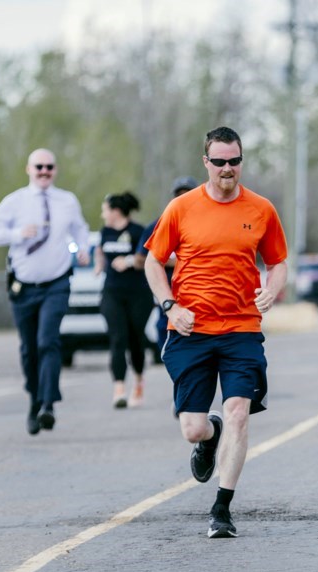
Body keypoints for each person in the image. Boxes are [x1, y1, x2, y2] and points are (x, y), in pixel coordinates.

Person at [143, 126, 288, 538]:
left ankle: (221, 508)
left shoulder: (261, 210)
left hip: (241, 329)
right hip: (191, 330)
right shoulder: (182, 208)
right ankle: (210, 437)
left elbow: (277, 262)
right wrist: (171, 305)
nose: (228, 169)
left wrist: (272, 291)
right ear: (206, 162)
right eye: (220, 161)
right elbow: (155, 262)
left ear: (242, 161)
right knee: (192, 427)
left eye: (234, 161)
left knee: (238, 412)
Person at [0, 148, 90, 436]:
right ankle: (35, 400)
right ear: (29, 170)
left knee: (48, 341)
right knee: (29, 348)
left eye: (49, 167)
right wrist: (17, 233)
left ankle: (49, 404)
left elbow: (80, 230)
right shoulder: (15, 202)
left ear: (55, 170)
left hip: (57, 282)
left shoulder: (67, 201)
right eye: (39, 167)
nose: (44, 172)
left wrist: (82, 249)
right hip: (23, 285)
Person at [94, 192, 154, 409]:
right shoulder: (105, 232)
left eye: (105, 210)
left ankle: (138, 380)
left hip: (138, 293)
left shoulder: (138, 232)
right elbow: (100, 251)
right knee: (117, 337)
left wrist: (128, 261)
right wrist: (98, 265)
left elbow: (150, 258)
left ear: (116, 211)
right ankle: (119, 387)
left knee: (135, 338)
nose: (103, 214)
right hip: (112, 292)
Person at [134, 176, 199, 354]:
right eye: (179, 195)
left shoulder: (204, 225)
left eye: (188, 194)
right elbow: (141, 259)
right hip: (167, 292)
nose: (183, 199)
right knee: (164, 328)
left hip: (197, 294)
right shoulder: (159, 224)